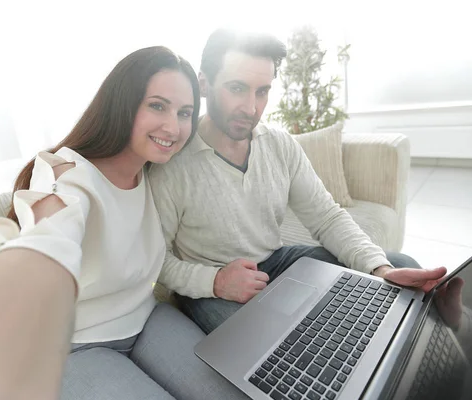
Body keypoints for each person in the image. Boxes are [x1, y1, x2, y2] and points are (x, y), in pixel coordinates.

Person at [0, 46, 252, 400]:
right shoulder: (67, 173)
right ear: (122, 103)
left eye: (184, 112)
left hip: (148, 320)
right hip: (77, 348)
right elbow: (52, 233)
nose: (174, 126)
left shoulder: (156, 172)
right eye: (157, 105)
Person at [148, 29, 447, 334]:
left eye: (262, 91)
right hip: (213, 284)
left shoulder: (279, 143)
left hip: (276, 261)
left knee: (399, 267)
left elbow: (327, 218)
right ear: (204, 84)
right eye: (237, 88)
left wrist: (378, 268)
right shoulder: (171, 164)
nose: (251, 108)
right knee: (267, 342)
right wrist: (216, 282)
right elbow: (157, 261)